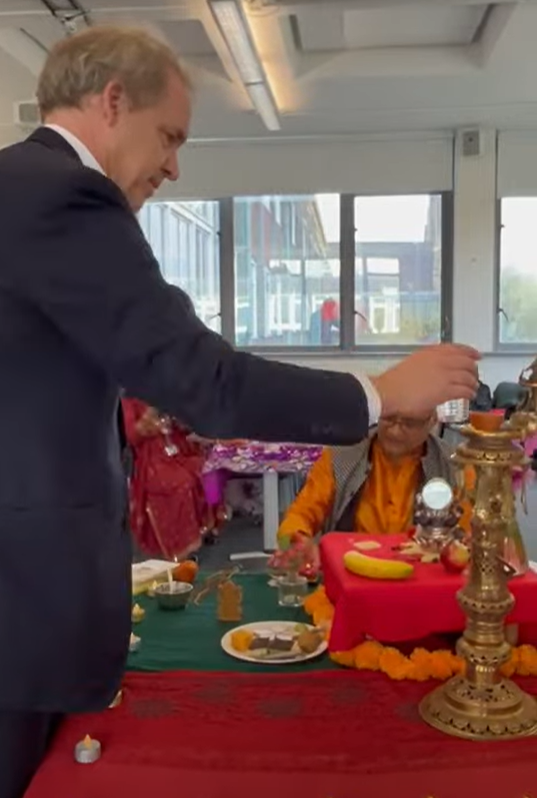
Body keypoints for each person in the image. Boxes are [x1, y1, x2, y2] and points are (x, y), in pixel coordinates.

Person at [0, 24, 479, 798]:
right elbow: (204, 380)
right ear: (111, 100)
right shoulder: (63, 196)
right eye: (169, 137)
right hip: (20, 603)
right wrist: (382, 393)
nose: (174, 167)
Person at [278, 412, 454, 555]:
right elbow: (299, 515)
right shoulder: (340, 458)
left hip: (424, 583)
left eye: (409, 423)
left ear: (433, 420)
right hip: (348, 574)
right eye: (389, 418)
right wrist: (295, 543)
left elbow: (469, 536)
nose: (395, 431)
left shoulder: (454, 466)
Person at [122, 397, 214, 560]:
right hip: (151, 458)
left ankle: (201, 533)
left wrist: (180, 418)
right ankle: (179, 551)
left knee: (206, 470)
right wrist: (149, 419)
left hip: (178, 449)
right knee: (178, 484)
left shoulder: (164, 387)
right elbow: (131, 435)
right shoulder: (130, 397)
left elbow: (183, 425)